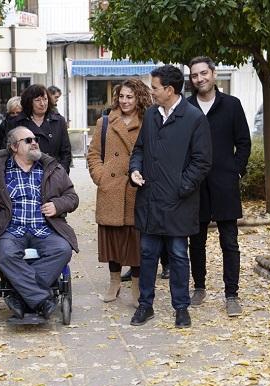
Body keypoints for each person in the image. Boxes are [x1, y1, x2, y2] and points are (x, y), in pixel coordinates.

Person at [128, 65, 212, 328]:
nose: (151, 92)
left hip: (179, 202)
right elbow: (139, 149)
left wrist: (180, 187)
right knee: (147, 253)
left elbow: (202, 162)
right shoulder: (152, 115)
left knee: (178, 255)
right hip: (150, 199)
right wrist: (135, 170)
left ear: (169, 90)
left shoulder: (194, 118)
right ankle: (145, 305)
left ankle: (181, 307)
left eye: (154, 88)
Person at [0, 126, 79, 319]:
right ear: (14, 146)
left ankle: (19, 295)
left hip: (45, 228)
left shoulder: (52, 167)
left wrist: (57, 205)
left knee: (63, 249)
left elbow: (72, 197)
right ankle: (40, 299)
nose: (34, 143)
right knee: (3, 253)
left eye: (35, 139)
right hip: (11, 229)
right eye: (28, 140)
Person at [186, 56, 252, 317]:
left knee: (230, 241)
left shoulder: (231, 105)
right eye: (194, 75)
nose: (200, 79)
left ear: (213, 74)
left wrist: (235, 171)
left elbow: (244, 142)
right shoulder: (187, 107)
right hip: (196, 184)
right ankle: (199, 286)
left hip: (225, 183)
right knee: (196, 240)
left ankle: (232, 294)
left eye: (203, 73)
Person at [87, 78, 152, 307]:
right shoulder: (105, 122)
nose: (124, 101)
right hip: (111, 188)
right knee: (112, 238)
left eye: (130, 97)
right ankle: (114, 282)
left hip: (136, 188)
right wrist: (101, 177)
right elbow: (93, 154)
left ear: (139, 98)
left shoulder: (148, 121)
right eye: (121, 96)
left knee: (136, 238)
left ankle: (136, 285)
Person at [5, 84, 72, 174]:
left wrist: (62, 173)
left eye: (45, 99)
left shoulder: (59, 121)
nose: (42, 104)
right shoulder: (16, 123)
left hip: (53, 173)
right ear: (29, 102)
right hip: (25, 174)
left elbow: (66, 152)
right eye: (37, 100)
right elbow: (10, 152)